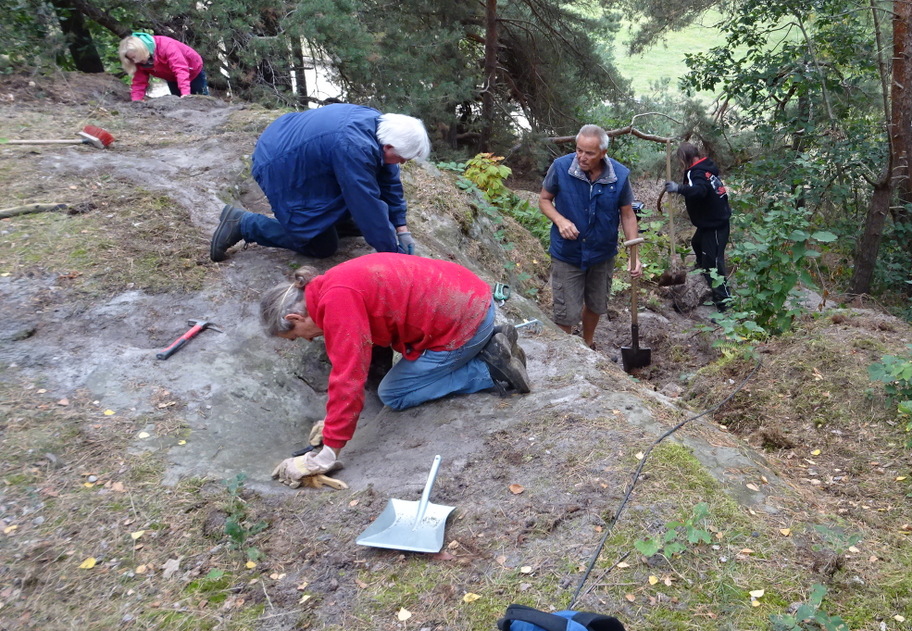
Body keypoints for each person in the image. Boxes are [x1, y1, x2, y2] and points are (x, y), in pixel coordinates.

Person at [261, 252, 530, 487]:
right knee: (392, 383)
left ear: (294, 318)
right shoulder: (332, 283)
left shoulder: (337, 305)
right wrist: (332, 423)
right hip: (470, 294)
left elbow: (347, 377)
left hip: (464, 322)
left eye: (297, 335)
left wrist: (328, 452)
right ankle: (486, 346)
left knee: (394, 394)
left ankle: (489, 367)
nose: (308, 339)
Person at [210, 103, 430, 262]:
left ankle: (333, 221)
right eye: (402, 158)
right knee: (322, 246)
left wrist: (401, 227)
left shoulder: (379, 126)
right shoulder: (354, 147)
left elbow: (388, 180)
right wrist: (393, 254)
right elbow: (365, 202)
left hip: (294, 144)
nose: (401, 163)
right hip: (280, 164)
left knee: (355, 218)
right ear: (388, 147)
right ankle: (244, 224)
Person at [538, 124, 642, 349]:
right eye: (579, 150)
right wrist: (560, 220)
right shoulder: (561, 167)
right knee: (566, 312)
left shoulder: (619, 176)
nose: (582, 157)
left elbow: (627, 214)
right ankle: (565, 352)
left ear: (603, 153)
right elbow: (544, 200)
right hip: (568, 253)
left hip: (602, 253)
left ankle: (587, 344)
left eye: (589, 153)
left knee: (596, 304)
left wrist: (634, 255)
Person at [664, 141, 731, 310]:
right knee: (696, 243)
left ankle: (724, 304)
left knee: (714, 264)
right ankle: (704, 272)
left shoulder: (697, 173)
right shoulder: (705, 168)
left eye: (680, 160)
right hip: (710, 222)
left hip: (715, 225)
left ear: (685, 158)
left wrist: (678, 188)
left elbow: (700, 191)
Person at [118, 33, 208, 101]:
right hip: (171, 76)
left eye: (134, 57)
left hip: (192, 70)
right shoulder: (139, 61)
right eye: (131, 59)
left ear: (142, 50)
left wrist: (185, 93)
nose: (135, 61)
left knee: (200, 98)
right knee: (178, 100)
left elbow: (181, 70)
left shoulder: (166, 46)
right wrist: (136, 100)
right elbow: (139, 82)